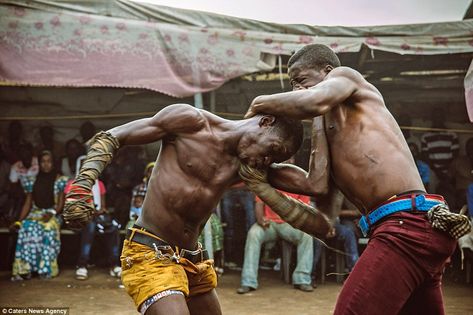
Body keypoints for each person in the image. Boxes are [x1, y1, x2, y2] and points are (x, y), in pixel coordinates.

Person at [244, 44, 470, 314]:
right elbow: (321, 213)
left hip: (407, 225)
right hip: (415, 228)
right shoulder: (327, 131)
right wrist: (261, 181)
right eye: (292, 85)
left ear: (327, 72)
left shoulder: (347, 77)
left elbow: (314, 100)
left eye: (301, 81)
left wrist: (258, 103)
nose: (296, 91)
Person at [62, 103, 330, 315]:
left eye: (274, 160)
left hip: (194, 259)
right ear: (265, 122)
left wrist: (321, 113)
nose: (266, 160)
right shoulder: (190, 122)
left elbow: (316, 185)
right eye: (272, 149)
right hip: (150, 252)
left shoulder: (249, 167)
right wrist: (82, 185)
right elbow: (114, 136)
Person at [237, 177, 314, 294]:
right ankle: (248, 281)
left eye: (288, 161)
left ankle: (302, 279)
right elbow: (259, 204)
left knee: (307, 235)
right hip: (269, 224)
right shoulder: (268, 183)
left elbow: (304, 209)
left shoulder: (300, 184)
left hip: (289, 224)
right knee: (253, 233)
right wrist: (260, 220)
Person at [10, 151, 67, 280]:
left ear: (53, 163)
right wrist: (19, 221)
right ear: (39, 164)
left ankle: (45, 269)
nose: (46, 165)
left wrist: (51, 213)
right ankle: (26, 269)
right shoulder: (32, 180)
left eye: (49, 161)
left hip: (53, 214)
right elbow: (28, 203)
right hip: (36, 212)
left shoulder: (60, 180)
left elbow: (60, 205)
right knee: (26, 227)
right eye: (43, 162)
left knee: (47, 228)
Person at [64, 155, 121, 281]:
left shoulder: (99, 184)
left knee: (113, 227)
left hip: (96, 218)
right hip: (78, 219)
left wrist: (99, 210)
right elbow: (71, 208)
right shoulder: (72, 184)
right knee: (89, 226)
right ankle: (82, 264)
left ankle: (114, 264)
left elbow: (103, 206)